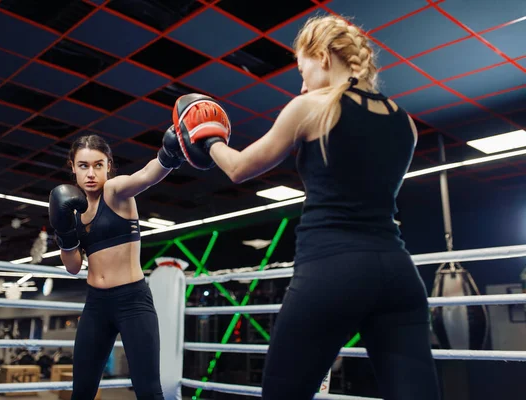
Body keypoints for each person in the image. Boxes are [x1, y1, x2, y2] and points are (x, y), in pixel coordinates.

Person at [172, 15, 441, 400]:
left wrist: (207, 137)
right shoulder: (405, 122)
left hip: (332, 270)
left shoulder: (311, 106)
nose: (301, 83)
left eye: (303, 69)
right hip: (398, 274)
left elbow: (238, 168)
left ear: (322, 57)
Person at [47, 127, 185, 400]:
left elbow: (144, 176)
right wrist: (63, 232)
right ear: (72, 168)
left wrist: (168, 155)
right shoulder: (72, 210)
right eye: (83, 166)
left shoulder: (115, 192)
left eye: (98, 165)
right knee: (82, 392)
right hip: (96, 305)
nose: (91, 173)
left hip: (132, 301)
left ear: (108, 166)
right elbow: (73, 266)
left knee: (148, 390)